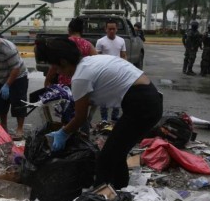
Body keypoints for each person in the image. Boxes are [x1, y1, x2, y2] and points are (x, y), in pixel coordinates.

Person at [35, 38, 162, 189]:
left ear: (63, 62)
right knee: (117, 153)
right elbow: (89, 101)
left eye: (55, 67)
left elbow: (81, 118)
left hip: (141, 105)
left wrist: (63, 132)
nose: (56, 71)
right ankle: (119, 193)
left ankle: (99, 200)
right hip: (148, 99)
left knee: (106, 158)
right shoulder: (90, 62)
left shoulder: (80, 76)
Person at [45, 17, 97, 87]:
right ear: (82, 31)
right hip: (82, 83)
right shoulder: (88, 45)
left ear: (69, 30)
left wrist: (47, 81)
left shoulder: (63, 44)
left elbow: (54, 66)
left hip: (64, 85)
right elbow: (96, 64)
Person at [96, 19, 126, 122]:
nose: (111, 31)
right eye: (109, 29)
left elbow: (123, 56)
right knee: (104, 96)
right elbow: (97, 58)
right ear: (106, 29)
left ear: (117, 29)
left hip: (118, 73)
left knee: (117, 96)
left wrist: (125, 69)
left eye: (113, 29)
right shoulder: (100, 42)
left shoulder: (121, 41)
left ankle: (114, 116)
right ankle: (104, 118)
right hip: (104, 73)